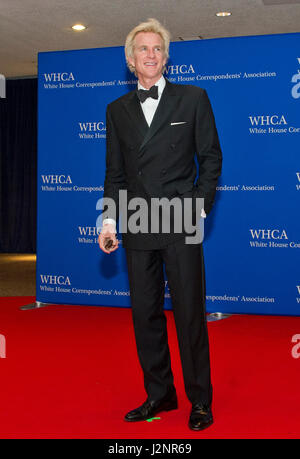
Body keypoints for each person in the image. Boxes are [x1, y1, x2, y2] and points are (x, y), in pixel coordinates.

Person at [98, 18, 222, 431]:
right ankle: (160, 394)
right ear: (131, 62)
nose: (151, 55)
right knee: (145, 314)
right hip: (136, 221)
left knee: (189, 314)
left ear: (166, 57)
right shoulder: (116, 110)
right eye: (143, 50)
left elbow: (211, 159)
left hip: (180, 218)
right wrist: (109, 219)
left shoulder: (193, 98)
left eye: (157, 48)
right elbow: (114, 173)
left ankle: (200, 400)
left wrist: (198, 208)